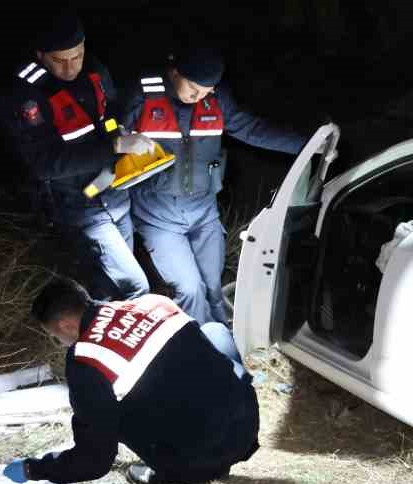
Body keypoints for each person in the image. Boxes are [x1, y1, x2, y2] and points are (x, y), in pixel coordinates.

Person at [0, 276, 261, 484]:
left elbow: (94, 460)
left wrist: (33, 469)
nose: (59, 341)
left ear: (65, 325)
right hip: (244, 428)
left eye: (55, 336)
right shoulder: (154, 303)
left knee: (110, 416)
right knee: (214, 331)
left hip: (201, 458)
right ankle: (214, 448)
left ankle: (179, 479)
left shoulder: (86, 359)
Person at [119, 46, 306, 326]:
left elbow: (252, 129)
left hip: (204, 212)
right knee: (189, 289)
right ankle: (202, 347)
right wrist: (118, 139)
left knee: (212, 286)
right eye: (194, 89)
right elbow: (106, 126)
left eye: (207, 91)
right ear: (174, 73)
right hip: (158, 218)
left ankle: (224, 336)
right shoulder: (142, 94)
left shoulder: (215, 99)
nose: (199, 97)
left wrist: (306, 146)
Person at [0, 9, 157, 299]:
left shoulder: (95, 71)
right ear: (41, 55)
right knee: (133, 288)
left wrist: (117, 132)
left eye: (77, 55)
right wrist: (114, 147)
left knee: (116, 288)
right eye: (60, 60)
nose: (71, 67)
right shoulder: (26, 95)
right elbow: (44, 164)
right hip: (79, 205)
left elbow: (108, 115)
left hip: (113, 191)